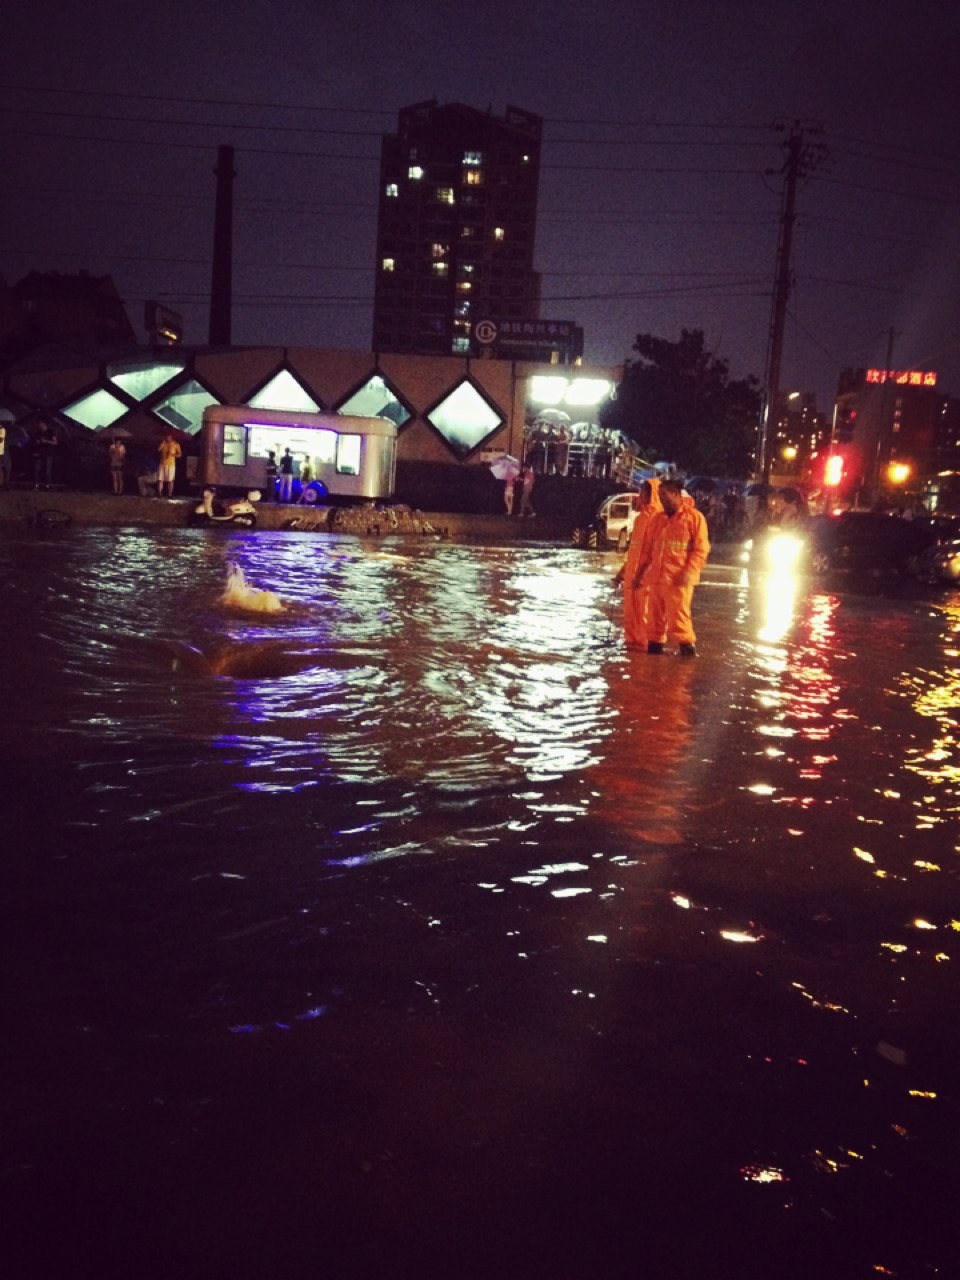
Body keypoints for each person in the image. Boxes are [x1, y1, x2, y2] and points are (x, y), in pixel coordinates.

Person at [633, 478, 710, 657]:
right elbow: (647, 552)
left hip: (678, 581)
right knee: (654, 622)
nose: (662, 500)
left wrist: (689, 572)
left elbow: (701, 550)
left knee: (679, 621)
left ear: (677, 495)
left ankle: (687, 653)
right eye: (660, 497)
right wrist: (639, 575)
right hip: (656, 579)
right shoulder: (656, 520)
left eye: (666, 496)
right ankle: (653, 660)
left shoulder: (694, 518)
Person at [612, 479, 661, 649]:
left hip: (646, 577)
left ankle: (645, 645)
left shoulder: (659, 519)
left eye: (642, 492)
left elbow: (655, 552)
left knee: (644, 612)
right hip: (632, 575)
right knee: (630, 613)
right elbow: (633, 550)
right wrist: (622, 573)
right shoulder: (639, 519)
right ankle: (631, 645)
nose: (639, 496)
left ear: (651, 494)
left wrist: (643, 574)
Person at [33, 418, 58, 488]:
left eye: (41, 423)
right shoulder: (38, 433)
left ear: (44, 424)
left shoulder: (50, 432)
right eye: (38, 424)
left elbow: (55, 443)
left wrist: (46, 441)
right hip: (39, 453)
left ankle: (47, 485)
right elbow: (35, 442)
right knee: (37, 469)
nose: (39, 425)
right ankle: (36, 484)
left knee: (47, 470)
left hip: (48, 453)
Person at [157, 433, 181, 497]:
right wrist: (162, 443)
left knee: (170, 480)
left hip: (171, 464)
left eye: (169, 436)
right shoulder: (164, 443)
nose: (167, 438)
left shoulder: (176, 444)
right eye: (166, 436)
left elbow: (180, 454)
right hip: (162, 463)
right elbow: (158, 449)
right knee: (160, 479)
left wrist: (174, 455)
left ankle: (170, 494)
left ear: (172, 437)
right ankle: (159, 493)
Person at [0, 418, 9, 486]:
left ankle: (2, 483)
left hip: (1, 452)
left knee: (2, 468)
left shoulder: (2, 429)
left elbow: (1, 439)